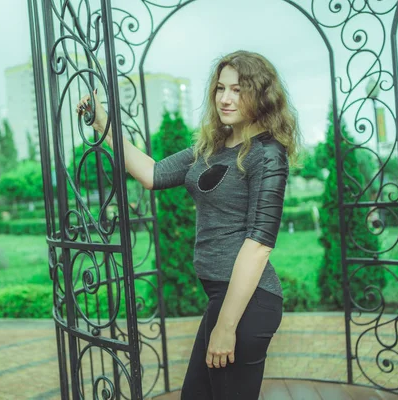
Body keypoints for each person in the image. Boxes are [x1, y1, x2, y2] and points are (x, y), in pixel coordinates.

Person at [76, 50, 300, 399]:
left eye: (238, 90)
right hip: (221, 298)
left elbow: (259, 245)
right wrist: (102, 122)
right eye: (220, 88)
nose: (225, 98)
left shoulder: (268, 154)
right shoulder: (212, 145)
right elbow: (152, 173)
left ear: (262, 94)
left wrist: (226, 327)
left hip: (247, 303)